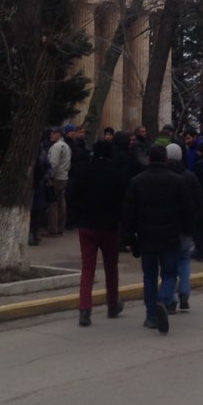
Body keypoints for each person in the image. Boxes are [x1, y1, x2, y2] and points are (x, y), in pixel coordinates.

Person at [121, 143, 194, 334]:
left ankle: (151, 316)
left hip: (146, 237)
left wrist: (129, 239)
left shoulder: (137, 181)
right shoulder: (178, 181)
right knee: (169, 274)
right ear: (166, 159)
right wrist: (187, 231)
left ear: (149, 159)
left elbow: (128, 213)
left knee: (149, 277)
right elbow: (186, 211)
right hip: (170, 237)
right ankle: (163, 300)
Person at [72, 139, 129, 326]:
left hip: (86, 226)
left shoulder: (83, 172)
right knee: (111, 267)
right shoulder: (117, 175)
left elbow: (74, 197)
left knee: (87, 268)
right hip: (109, 227)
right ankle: (112, 305)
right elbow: (122, 202)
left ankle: (84, 309)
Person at [166, 141, 203, 313]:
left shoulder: (165, 176)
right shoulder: (190, 176)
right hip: (186, 227)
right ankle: (184, 292)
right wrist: (194, 220)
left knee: (168, 263)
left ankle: (170, 298)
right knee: (185, 259)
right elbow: (199, 201)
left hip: (168, 227)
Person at [46, 124, 71, 236]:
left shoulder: (57, 146)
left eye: (54, 133)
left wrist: (49, 177)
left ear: (59, 134)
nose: (51, 135)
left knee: (53, 204)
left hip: (56, 178)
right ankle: (61, 227)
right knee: (61, 203)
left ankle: (53, 229)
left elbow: (53, 164)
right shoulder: (66, 146)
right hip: (64, 176)